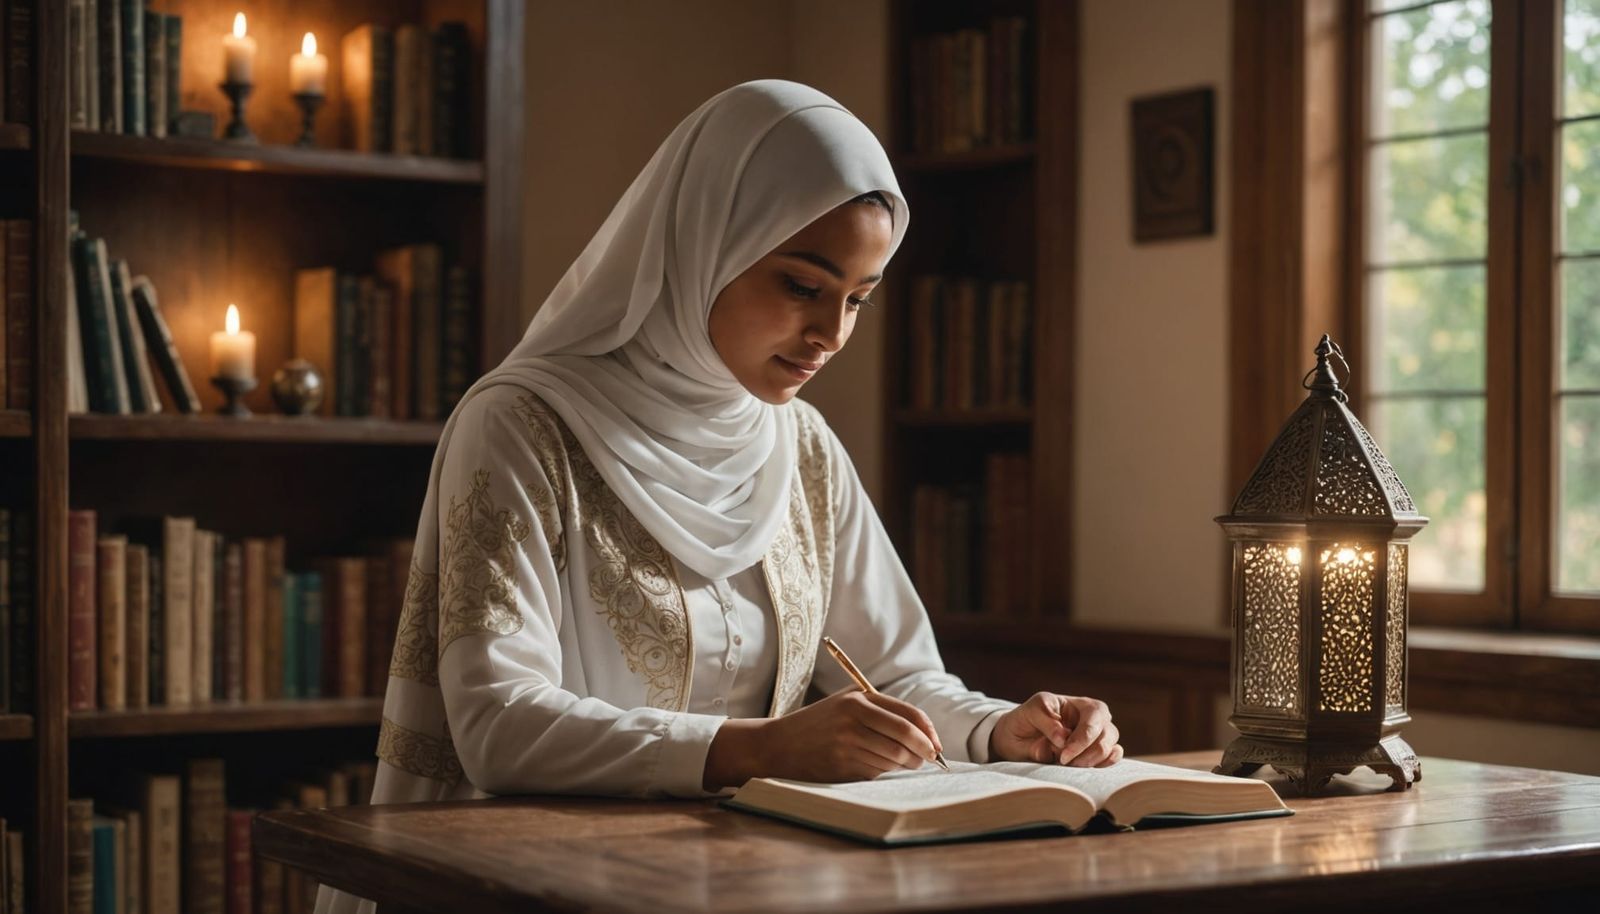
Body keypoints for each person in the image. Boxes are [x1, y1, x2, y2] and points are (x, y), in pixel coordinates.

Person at [316, 80, 1120, 914]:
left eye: (857, 299)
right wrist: (757, 749)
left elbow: (894, 675)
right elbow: (498, 723)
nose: (831, 334)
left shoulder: (801, 445)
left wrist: (999, 729)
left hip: (748, 878)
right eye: (801, 286)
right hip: (540, 882)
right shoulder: (522, 425)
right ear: (704, 243)